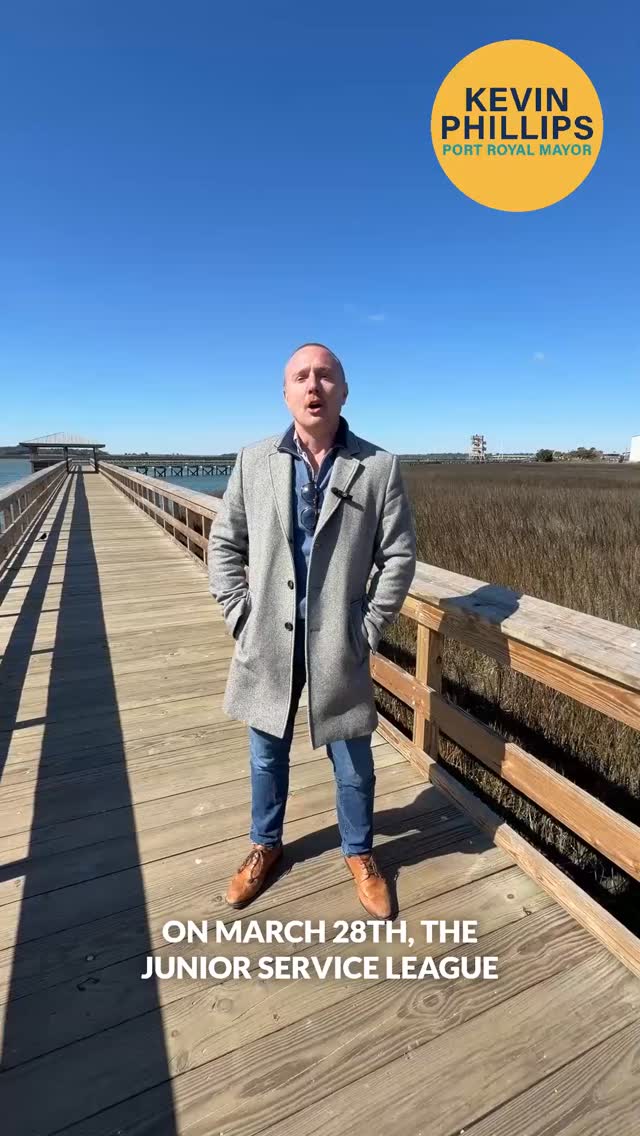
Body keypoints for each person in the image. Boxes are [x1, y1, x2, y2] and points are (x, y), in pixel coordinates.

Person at [208, 343, 417, 918]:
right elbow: (224, 544)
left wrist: (368, 626)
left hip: (337, 641)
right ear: (286, 394)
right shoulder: (254, 461)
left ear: (344, 390)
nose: (313, 385)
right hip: (268, 638)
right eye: (301, 377)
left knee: (353, 759)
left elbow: (398, 556)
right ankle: (265, 846)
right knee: (265, 755)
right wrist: (239, 614)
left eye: (326, 376)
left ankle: (360, 852)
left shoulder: (377, 467)